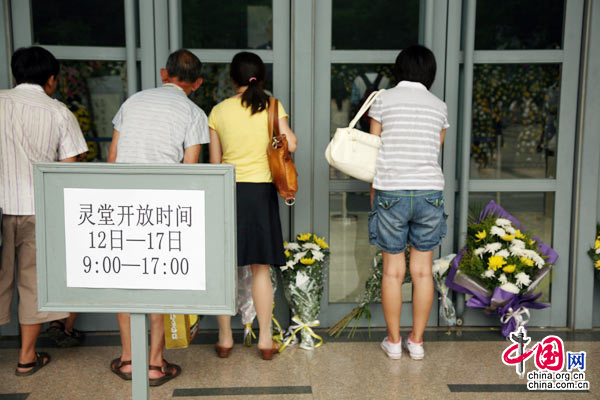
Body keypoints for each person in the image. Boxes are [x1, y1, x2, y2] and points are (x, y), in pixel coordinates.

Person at [107, 49, 208, 385]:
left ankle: (127, 359)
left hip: (122, 203)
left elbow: (112, 158)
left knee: (126, 281)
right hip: (162, 207)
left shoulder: (132, 102)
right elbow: (190, 170)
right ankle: (153, 364)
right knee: (158, 280)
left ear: (164, 74)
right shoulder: (194, 112)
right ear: (197, 83)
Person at [0, 46, 88, 375]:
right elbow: (69, 169)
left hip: (1, 206)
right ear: (51, 80)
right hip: (39, 209)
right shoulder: (58, 112)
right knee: (33, 282)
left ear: (15, 74)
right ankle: (26, 358)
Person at [208, 51, 297, 360]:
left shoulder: (218, 111)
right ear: (261, 77)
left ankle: (224, 338)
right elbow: (292, 143)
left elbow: (215, 163)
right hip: (261, 194)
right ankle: (265, 340)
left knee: (224, 268)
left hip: (228, 192)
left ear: (232, 79)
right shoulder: (272, 107)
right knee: (260, 270)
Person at [368, 45, 448, 360]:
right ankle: (416, 342)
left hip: (391, 190)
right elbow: (434, 149)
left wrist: (374, 192)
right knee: (423, 272)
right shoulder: (438, 106)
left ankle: (393, 342)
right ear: (430, 73)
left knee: (393, 272)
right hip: (429, 191)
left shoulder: (383, 100)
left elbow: (374, 149)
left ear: (398, 70)